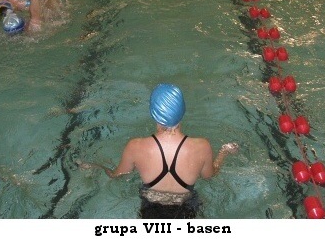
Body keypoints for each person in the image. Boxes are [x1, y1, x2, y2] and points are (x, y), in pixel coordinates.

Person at [80, 83, 239, 218]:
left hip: (150, 210)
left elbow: (116, 176)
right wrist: (223, 152)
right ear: (182, 110)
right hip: (187, 208)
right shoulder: (202, 146)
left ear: (153, 113)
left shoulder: (135, 146)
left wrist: (96, 166)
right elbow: (210, 176)